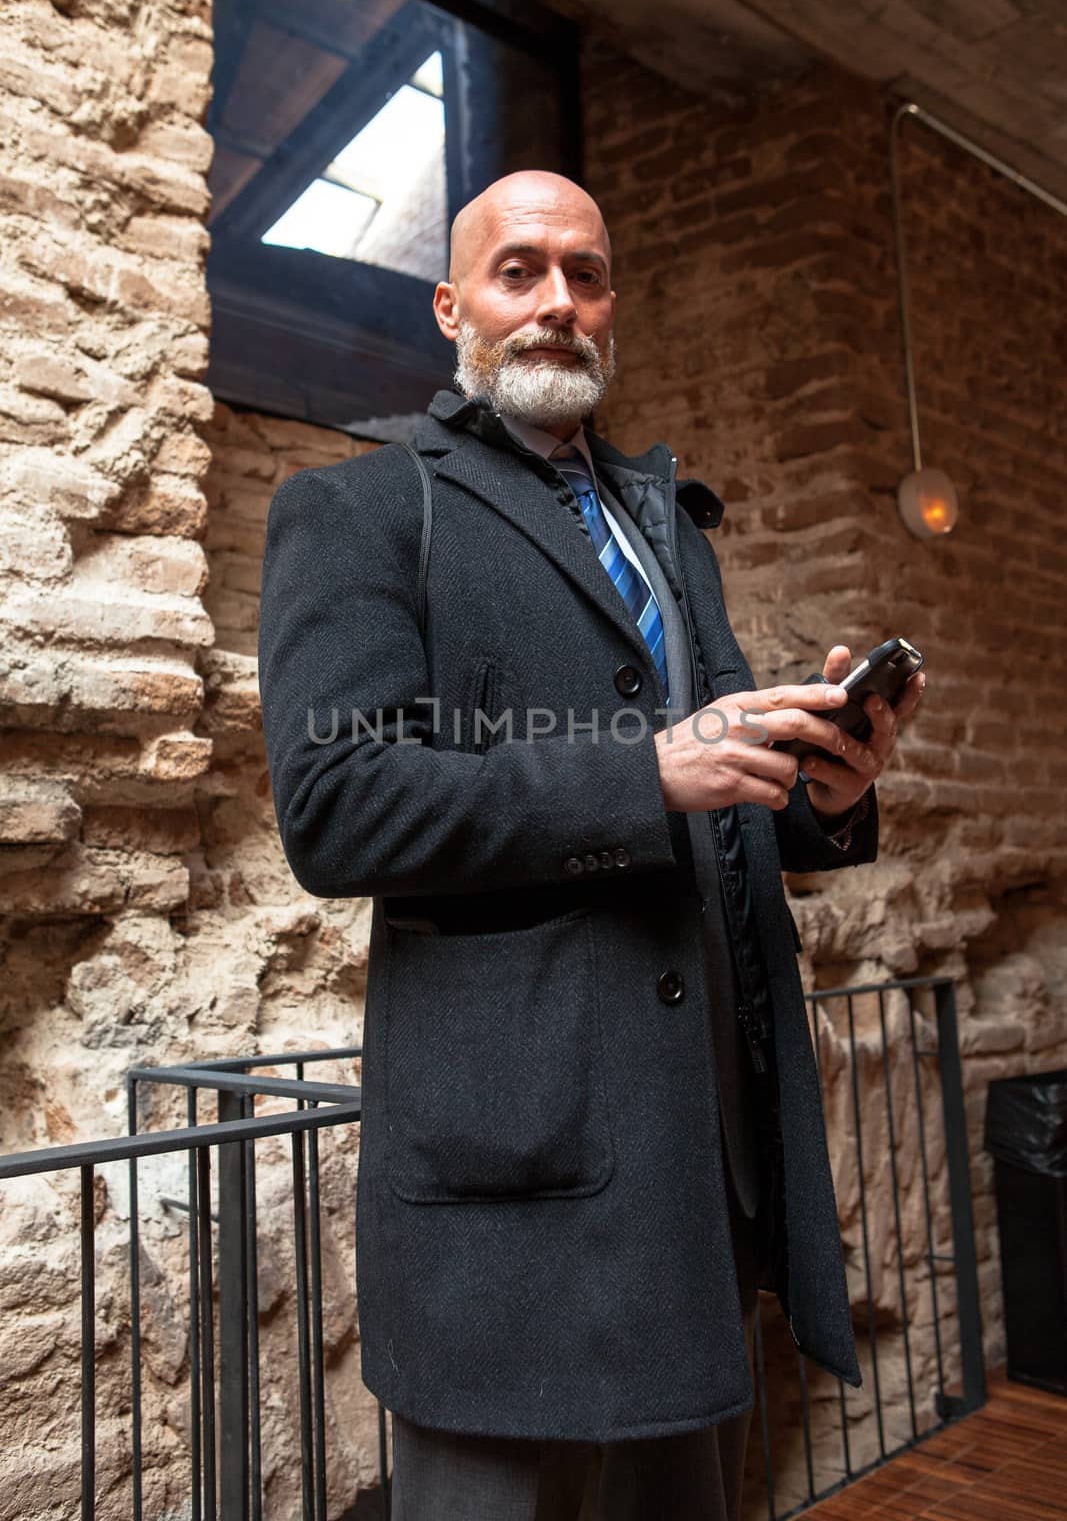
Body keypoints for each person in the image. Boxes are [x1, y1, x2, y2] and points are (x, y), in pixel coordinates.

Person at [257, 170, 924, 1520]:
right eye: (521, 271)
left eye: (588, 273)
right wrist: (642, 771)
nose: (560, 300)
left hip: (695, 1163)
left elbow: (719, 798)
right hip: (510, 1186)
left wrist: (830, 793)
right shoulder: (362, 512)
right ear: (455, 307)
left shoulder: (668, 525)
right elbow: (336, 804)